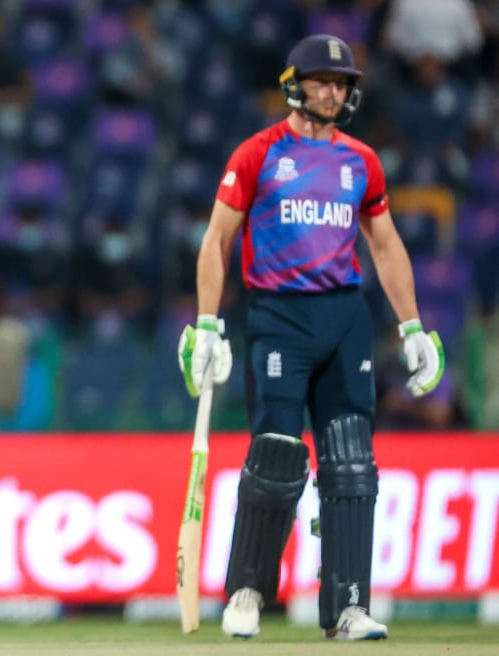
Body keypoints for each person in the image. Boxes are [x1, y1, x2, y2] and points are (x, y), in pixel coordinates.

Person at [178, 34, 445, 641]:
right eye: (323, 80)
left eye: (343, 83)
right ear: (295, 83)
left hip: (343, 316)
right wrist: (208, 323)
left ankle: (348, 606)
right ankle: (247, 591)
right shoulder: (258, 153)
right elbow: (217, 240)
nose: (333, 92)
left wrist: (412, 327)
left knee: (351, 461)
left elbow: (384, 244)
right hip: (278, 314)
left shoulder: (361, 161)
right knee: (275, 452)